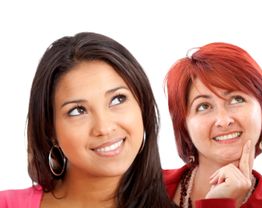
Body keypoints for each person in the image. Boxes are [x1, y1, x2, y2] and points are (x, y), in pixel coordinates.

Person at [0, 32, 175, 207]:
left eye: (117, 99)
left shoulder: (183, 194)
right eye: (77, 111)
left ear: (142, 104)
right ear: (50, 130)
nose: (104, 127)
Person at [164, 42, 262, 208]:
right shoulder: (140, 186)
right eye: (204, 106)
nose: (224, 121)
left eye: (236, 99)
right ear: (184, 124)